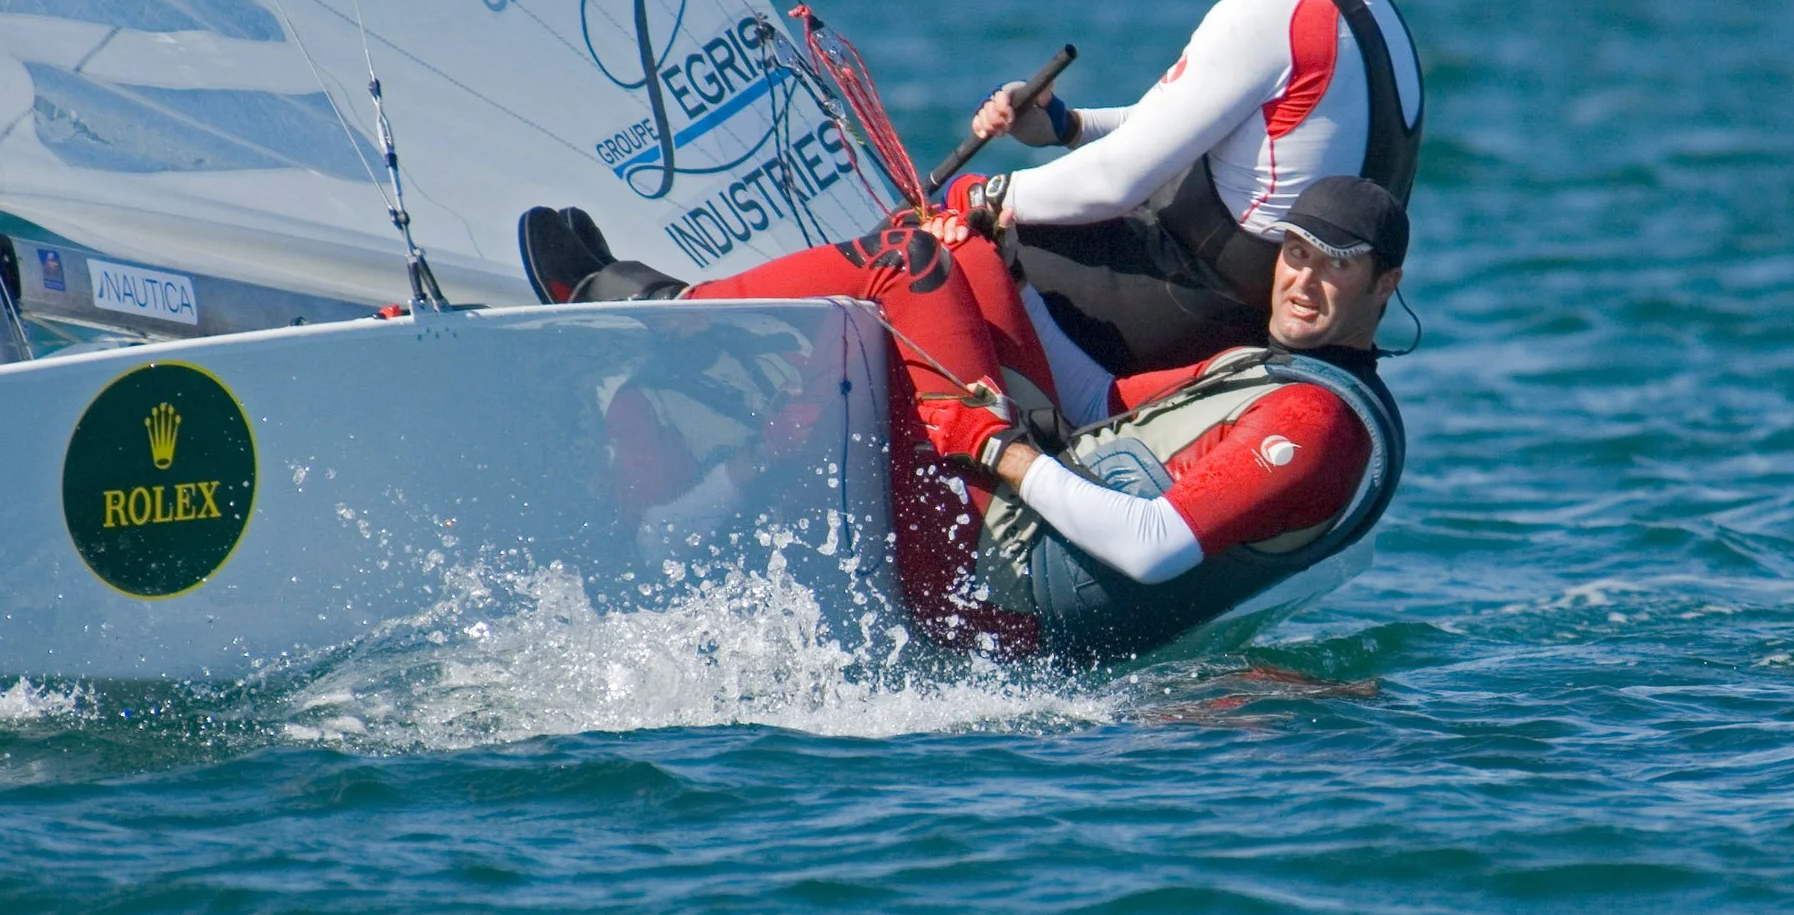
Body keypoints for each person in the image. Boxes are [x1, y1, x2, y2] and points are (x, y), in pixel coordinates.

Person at [518, 176, 1409, 662]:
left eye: (1336, 267)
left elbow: (1152, 545)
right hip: (1015, 531)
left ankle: (660, 311)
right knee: (953, 244)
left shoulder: (1316, 424)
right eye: (1295, 253)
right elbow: (1094, 405)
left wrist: (998, 450)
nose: (1302, 279)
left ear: (1384, 285)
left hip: (990, 595)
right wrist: (994, 277)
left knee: (899, 263)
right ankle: (708, 475)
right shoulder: (1270, 369)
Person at [955, 0, 1424, 382]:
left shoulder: (1267, 11)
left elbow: (1114, 181)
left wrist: (974, 199)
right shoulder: (1376, 10)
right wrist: (1068, 126)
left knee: (950, 253)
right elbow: (1171, 125)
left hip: (1193, 309)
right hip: (1268, 312)